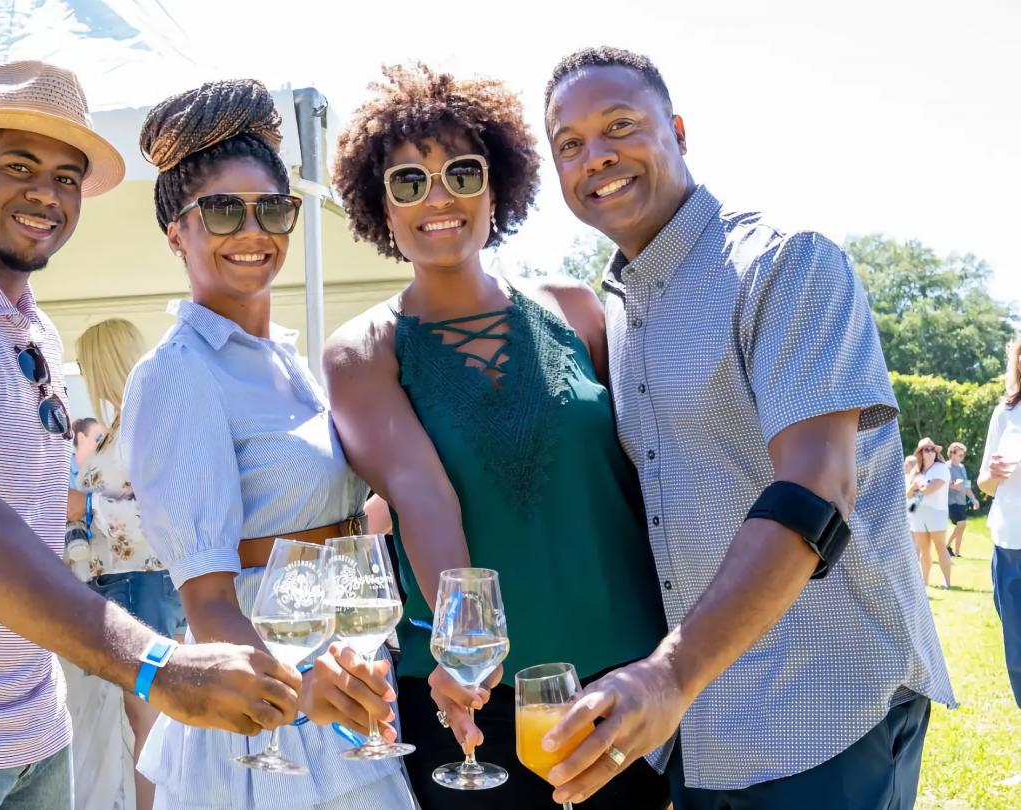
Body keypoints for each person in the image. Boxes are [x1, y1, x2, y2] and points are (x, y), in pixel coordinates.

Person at [0, 61, 301, 810]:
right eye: (19, 166)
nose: (47, 194)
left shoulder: (32, 326)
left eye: (67, 177)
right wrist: (157, 666)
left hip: (34, 731)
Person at [538, 47, 954, 809]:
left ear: (680, 131)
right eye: (569, 144)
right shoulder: (619, 311)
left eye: (620, 125)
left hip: (829, 711)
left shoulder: (786, 265)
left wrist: (667, 673)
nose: (596, 155)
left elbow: (816, 486)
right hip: (701, 730)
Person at [325, 64, 668, 809]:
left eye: (461, 171)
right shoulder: (363, 349)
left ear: (498, 185)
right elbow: (420, 493)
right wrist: (463, 655)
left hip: (628, 683)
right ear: (379, 207)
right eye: (408, 182)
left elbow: (649, 477)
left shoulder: (580, 311)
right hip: (469, 701)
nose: (438, 196)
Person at [120, 79, 418, 809]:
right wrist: (297, 692)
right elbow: (207, 601)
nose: (252, 230)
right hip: (275, 707)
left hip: (350, 675)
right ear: (176, 234)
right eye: (222, 210)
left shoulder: (289, 360)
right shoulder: (179, 372)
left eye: (272, 208)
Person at [68, 317, 186, 810]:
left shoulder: (147, 428)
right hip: (124, 586)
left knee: (151, 723)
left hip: (146, 584)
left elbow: (167, 513)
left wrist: (86, 507)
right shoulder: (127, 428)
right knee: (145, 722)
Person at [978, 334, 1021, 709]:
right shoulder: (1005, 412)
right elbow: (985, 484)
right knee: (1017, 646)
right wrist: (992, 473)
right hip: (1009, 544)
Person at [908, 437, 952, 587]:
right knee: (924, 549)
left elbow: (930, 488)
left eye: (933, 449)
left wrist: (917, 487)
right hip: (918, 513)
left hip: (936, 512)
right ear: (920, 453)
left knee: (940, 546)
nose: (931, 452)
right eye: (927, 449)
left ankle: (947, 581)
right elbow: (907, 494)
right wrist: (914, 487)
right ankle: (924, 581)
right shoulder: (916, 471)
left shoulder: (941, 468)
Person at [946, 441, 980, 557]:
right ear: (952, 454)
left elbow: (966, 485)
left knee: (961, 526)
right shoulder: (946, 467)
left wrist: (974, 499)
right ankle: (946, 546)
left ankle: (956, 552)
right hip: (951, 501)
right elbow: (942, 484)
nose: (962, 457)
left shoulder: (962, 467)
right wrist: (953, 485)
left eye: (963, 455)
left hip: (961, 501)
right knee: (961, 523)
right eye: (960, 455)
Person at [71, 417, 103, 486]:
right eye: (98, 438)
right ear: (81, 438)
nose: (103, 444)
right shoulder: (62, 473)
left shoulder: (100, 469)